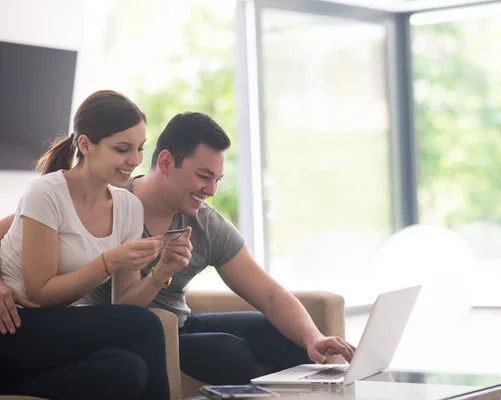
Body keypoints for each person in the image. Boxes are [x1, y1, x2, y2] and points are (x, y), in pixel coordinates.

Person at [73, 111, 357, 385]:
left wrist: (312, 337)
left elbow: (269, 295)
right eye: (203, 176)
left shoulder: (205, 223)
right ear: (166, 162)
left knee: (289, 337)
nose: (211, 190)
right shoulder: (114, 207)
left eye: (217, 179)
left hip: (180, 326)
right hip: (130, 334)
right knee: (227, 351)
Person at [0, 90, 178, 400]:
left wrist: (159, 274)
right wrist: (108, 262)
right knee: (147, 325)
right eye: (122, 149)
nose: (134, 161)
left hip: (54, 335)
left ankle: (14, 387)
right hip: (16, 326)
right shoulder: (46, 193)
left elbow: (123, 306)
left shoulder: (128, 207)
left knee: (126, 370)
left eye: (139, 149)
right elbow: (39, 294)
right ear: (86, 145)